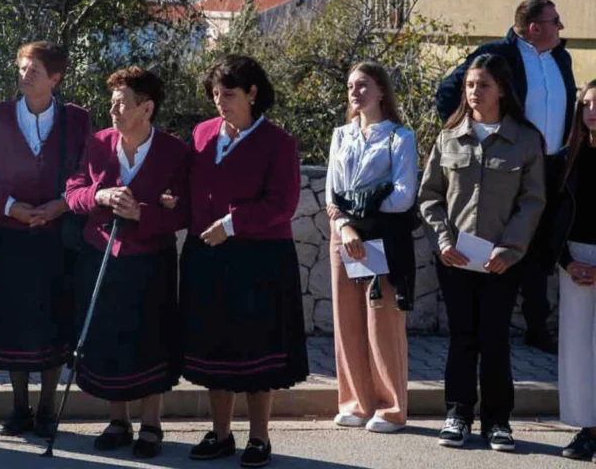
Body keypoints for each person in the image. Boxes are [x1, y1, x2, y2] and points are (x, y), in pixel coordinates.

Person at [180, 55, 308, 467]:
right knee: (215, 349)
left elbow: (282, 204)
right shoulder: (201, 134)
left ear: (253, 93)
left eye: (229, 94)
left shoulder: (278, 142)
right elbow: (190, 189)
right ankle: (220, 434)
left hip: (259, 260)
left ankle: (259, 439)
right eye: (215, 94)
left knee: (256, 351)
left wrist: (231, 225)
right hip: (207, 257)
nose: (220, 102)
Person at [420, 54, 546, 452]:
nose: (474, 92)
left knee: (494, 339)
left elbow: (532, 201)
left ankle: (497, 421)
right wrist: (442, 241)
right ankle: (457, 413)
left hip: (501, 261)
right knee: (462, 337)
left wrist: (510, 249)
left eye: (483, 85)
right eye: (470, 85)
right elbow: (430, 197)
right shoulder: (449, 135)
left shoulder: (525, 140)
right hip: (457, 259)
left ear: (503, 90)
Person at [436, 0, 575, 354]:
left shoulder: (561, 56)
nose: (561, 27)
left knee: (544, 241)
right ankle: (517, 325)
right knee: (511, 237)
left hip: (552, 163)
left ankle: (536, 324)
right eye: (555, 21)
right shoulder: (496, 53)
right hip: (506, 161)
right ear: (534, 27)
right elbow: (450, 91)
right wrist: (465, 135)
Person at [64, 67, 188, 459]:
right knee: (109, 338)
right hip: (101, 254)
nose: (113, 109)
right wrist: (100, 197)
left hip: (151, 259)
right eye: (112, 101)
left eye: (122, 102)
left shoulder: (174, 151)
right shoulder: (98, 143)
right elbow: (73, 191)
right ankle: (118, 421)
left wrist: (143, 213)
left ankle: (151, 424)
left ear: (146, 108)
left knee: (151, 339)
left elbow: (184, 212)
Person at [0, 42, 90, 438]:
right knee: (13, 323)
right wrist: (10, 206)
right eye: (22, 68)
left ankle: (46, 409)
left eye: (35, 70)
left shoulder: (76, 119)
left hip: (56, 237)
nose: (25, 76)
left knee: (52, 322)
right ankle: (19, 407)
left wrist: (61, 205)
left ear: (55, 78)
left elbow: (86, 171)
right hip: (11, 236)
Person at [324, 62, 417, 434]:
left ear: (381, 91)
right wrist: (346, 225)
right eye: (350, 86)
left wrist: (359, 209)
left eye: (363, 85)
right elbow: (333, 194)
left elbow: (403, 195)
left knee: (383, 319)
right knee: (347, 321)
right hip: (344, 237)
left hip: (381, 237)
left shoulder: (399, 137)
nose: (355, 92)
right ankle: (355, 402)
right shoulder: (340, 135)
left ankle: (391, 407)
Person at [545, 80, 596, 460]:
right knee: (577, 351)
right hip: (575, 261)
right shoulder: (566, 158)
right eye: (587, 104)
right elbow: (549, 218)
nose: (592, 111)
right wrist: (565, 260)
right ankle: (587, 430)